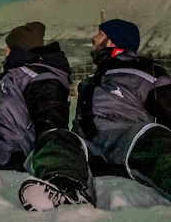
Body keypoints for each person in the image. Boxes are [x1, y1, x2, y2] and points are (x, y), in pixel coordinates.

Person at [0, 22, 94, 211]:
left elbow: (51, 125)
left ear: (19, 48)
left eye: (8, 46)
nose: (4, 50)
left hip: (3, 152)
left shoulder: (41, 77)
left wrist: (58, 170)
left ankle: (67, 189)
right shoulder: (17, 74)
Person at [72, 18, 171, 202]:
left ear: (112, 40)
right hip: (91, 153)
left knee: (151, 136)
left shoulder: (147, 73)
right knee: (57, 138)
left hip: (129, 146)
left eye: (100, 33)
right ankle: (64, 187)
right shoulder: (91, 81)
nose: (94, 37)